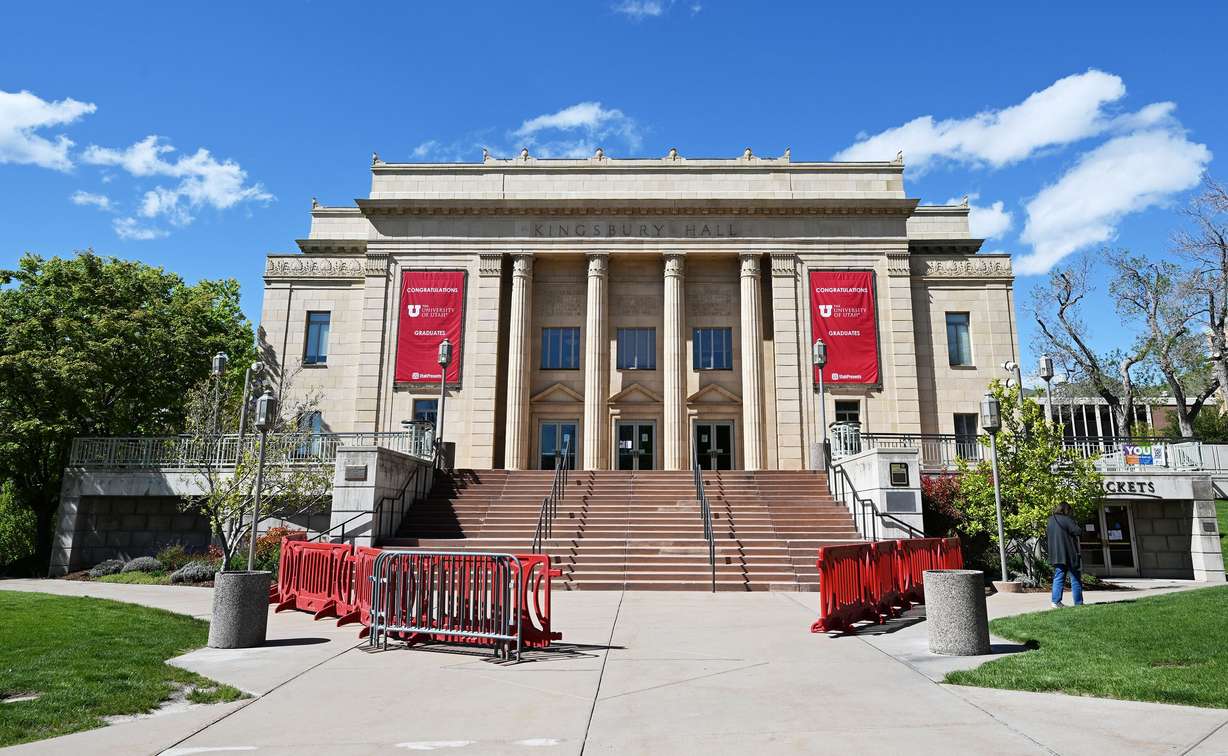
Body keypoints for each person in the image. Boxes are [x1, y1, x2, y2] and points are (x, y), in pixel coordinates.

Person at [1046, 502, 1084, 607]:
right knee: (1075, 578)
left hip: (1056, 553)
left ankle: (1055, 601)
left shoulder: (1050, 520)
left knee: (1058, 576)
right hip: (1069, 552)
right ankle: (1078, 602)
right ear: (1066, 510)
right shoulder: (1067, 519)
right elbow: (1078, 531)